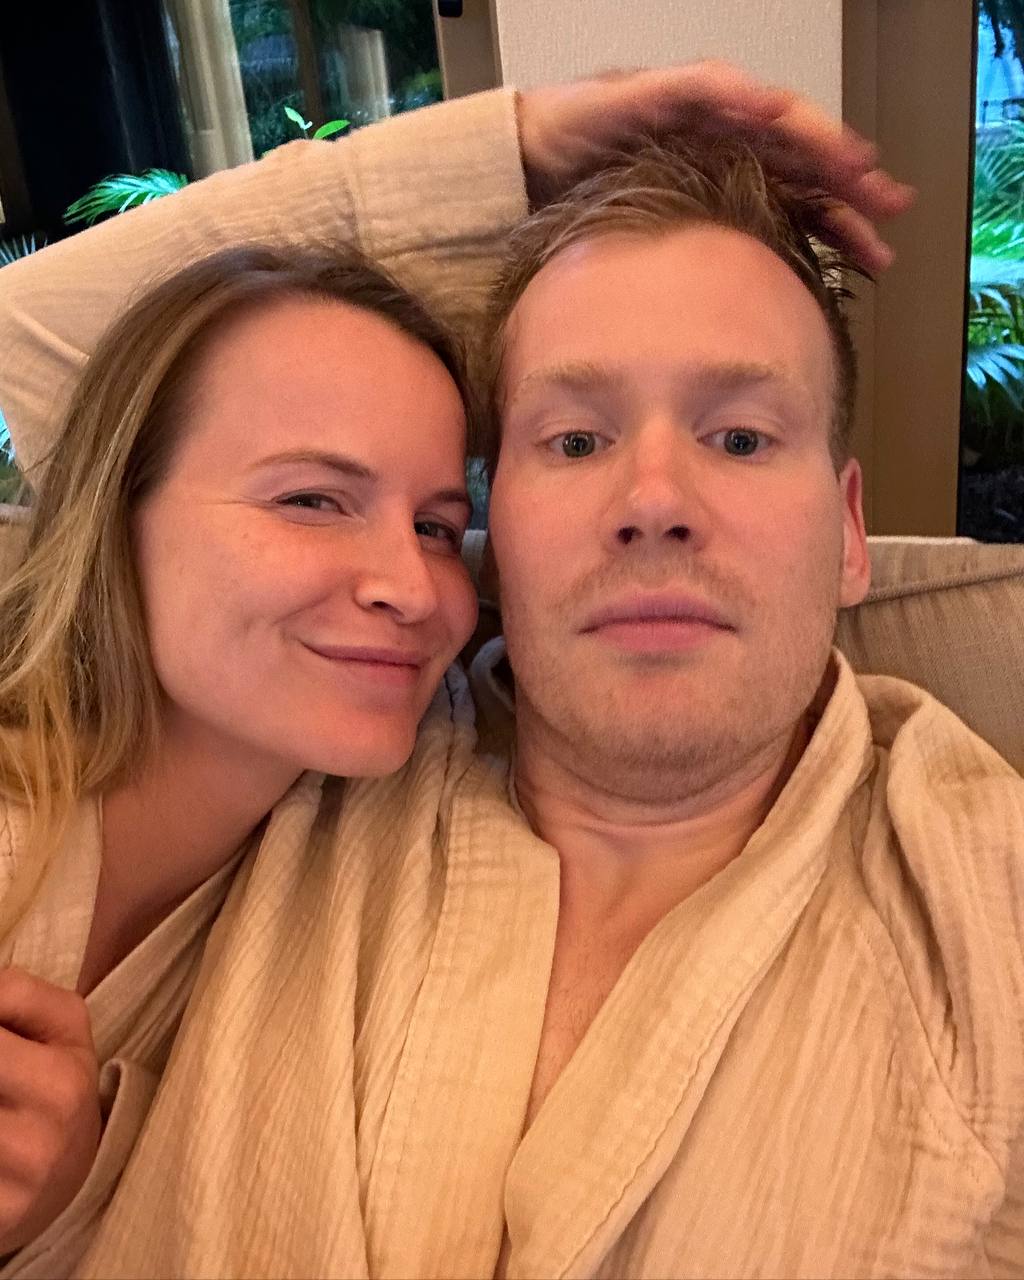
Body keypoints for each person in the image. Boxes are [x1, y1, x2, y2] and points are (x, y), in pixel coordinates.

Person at [0, 65, 917, 1279]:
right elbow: (40, 341)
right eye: (573, 439)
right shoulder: (299, 796)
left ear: (849, 530)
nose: (651, 499)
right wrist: (512, 149)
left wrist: (62, 1197)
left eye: (740, 435)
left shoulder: (971, 903)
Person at [0, 243, 480, 1268]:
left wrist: (61, 1202)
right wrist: (535, 160)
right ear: (117, 512)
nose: (412, 586)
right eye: (311, 499)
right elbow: (19, 313)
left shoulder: (332, 887)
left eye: (440, 527)